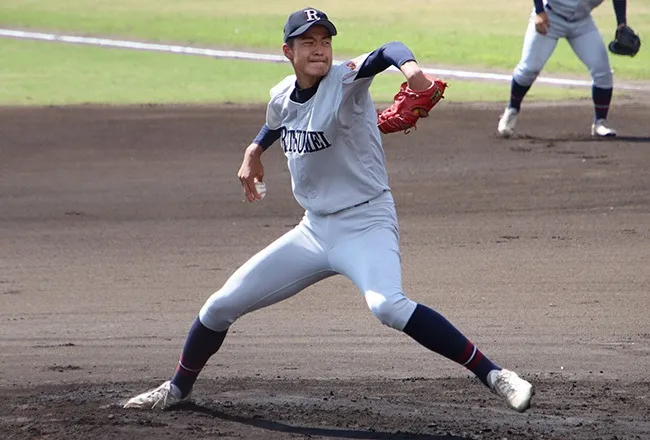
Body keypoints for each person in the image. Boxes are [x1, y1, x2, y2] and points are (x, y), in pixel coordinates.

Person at [124, 6, 534, 413]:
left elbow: (388, 48)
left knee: (387, 306)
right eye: (308, 42)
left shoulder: (347, 80)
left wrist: (412, 73)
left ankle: (497, 375)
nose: (320, 49)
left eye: (325, 41)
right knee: (219, 306)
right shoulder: (281, 93)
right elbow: (278, 120)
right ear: (289, 51)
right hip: (313, 231)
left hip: (366, 222)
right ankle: (176, 389)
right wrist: (253, 149)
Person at [498, 0, 630, 138]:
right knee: (529, 69)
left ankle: (600, 123)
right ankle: (512, 109)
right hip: (550, 16)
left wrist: (621, 24)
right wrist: (539, 11)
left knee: (603, 71)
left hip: (582, 21)